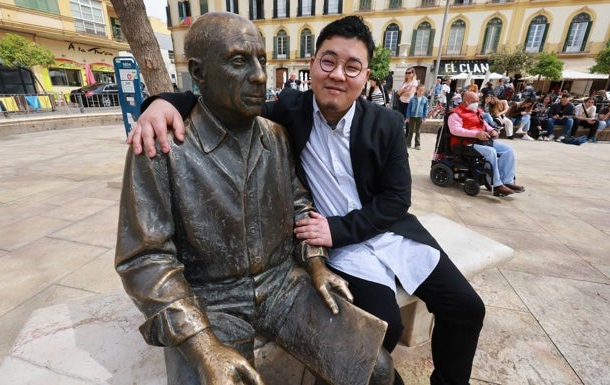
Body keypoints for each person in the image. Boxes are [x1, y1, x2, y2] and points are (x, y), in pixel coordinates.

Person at [130, 15, 486, 385]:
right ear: (312, 65)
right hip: (330, 250)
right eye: (328, 61)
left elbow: (397, 200)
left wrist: (331, 237)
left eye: (353, 67)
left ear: (366, 76)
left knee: (467, 308)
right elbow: (215, 102)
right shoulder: (288, 113)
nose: (337, 75)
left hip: (381, 233)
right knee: (385, 328)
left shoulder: (385, 124)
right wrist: (160, 102)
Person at [448, 91, 525, 197]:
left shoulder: (476, 111)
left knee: (508, 150)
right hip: (465, 143)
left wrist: (492, 130)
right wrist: (476, 134)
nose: (476, 103)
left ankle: (507, 181)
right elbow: (455, 130)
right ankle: (496, 184)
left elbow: (483, 124)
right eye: (474, 101)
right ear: (466, 101)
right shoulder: (455, 113)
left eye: (477, 101)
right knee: (491, 152)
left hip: (482, 140)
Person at [405, 84, 429, 150]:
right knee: (410, 131)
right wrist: (407, 117)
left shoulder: (425, 99)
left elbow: (425, 109)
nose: (420, 92)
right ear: (417, 90)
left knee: (418, 131)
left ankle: (417, 144)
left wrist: (424, 118)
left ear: (424, 91)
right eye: (419, 90)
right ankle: (408, 143)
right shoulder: (412, 99)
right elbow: (409, 108)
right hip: (412, 117)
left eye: (422, 90)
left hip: (420, 117)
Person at [396, 67, 418, 136]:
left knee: (408, 120)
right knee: (400, 118)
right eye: (406, 73)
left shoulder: (414, 82)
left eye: (409, 73)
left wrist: (402, 92)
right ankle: (399, 134)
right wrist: (404, 91)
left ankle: (407, 137)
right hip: (401, 102)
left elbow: (409, 94)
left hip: (409, 103)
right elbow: (398, 93)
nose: (407, 74)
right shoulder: (404, 82)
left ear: (413, 73)